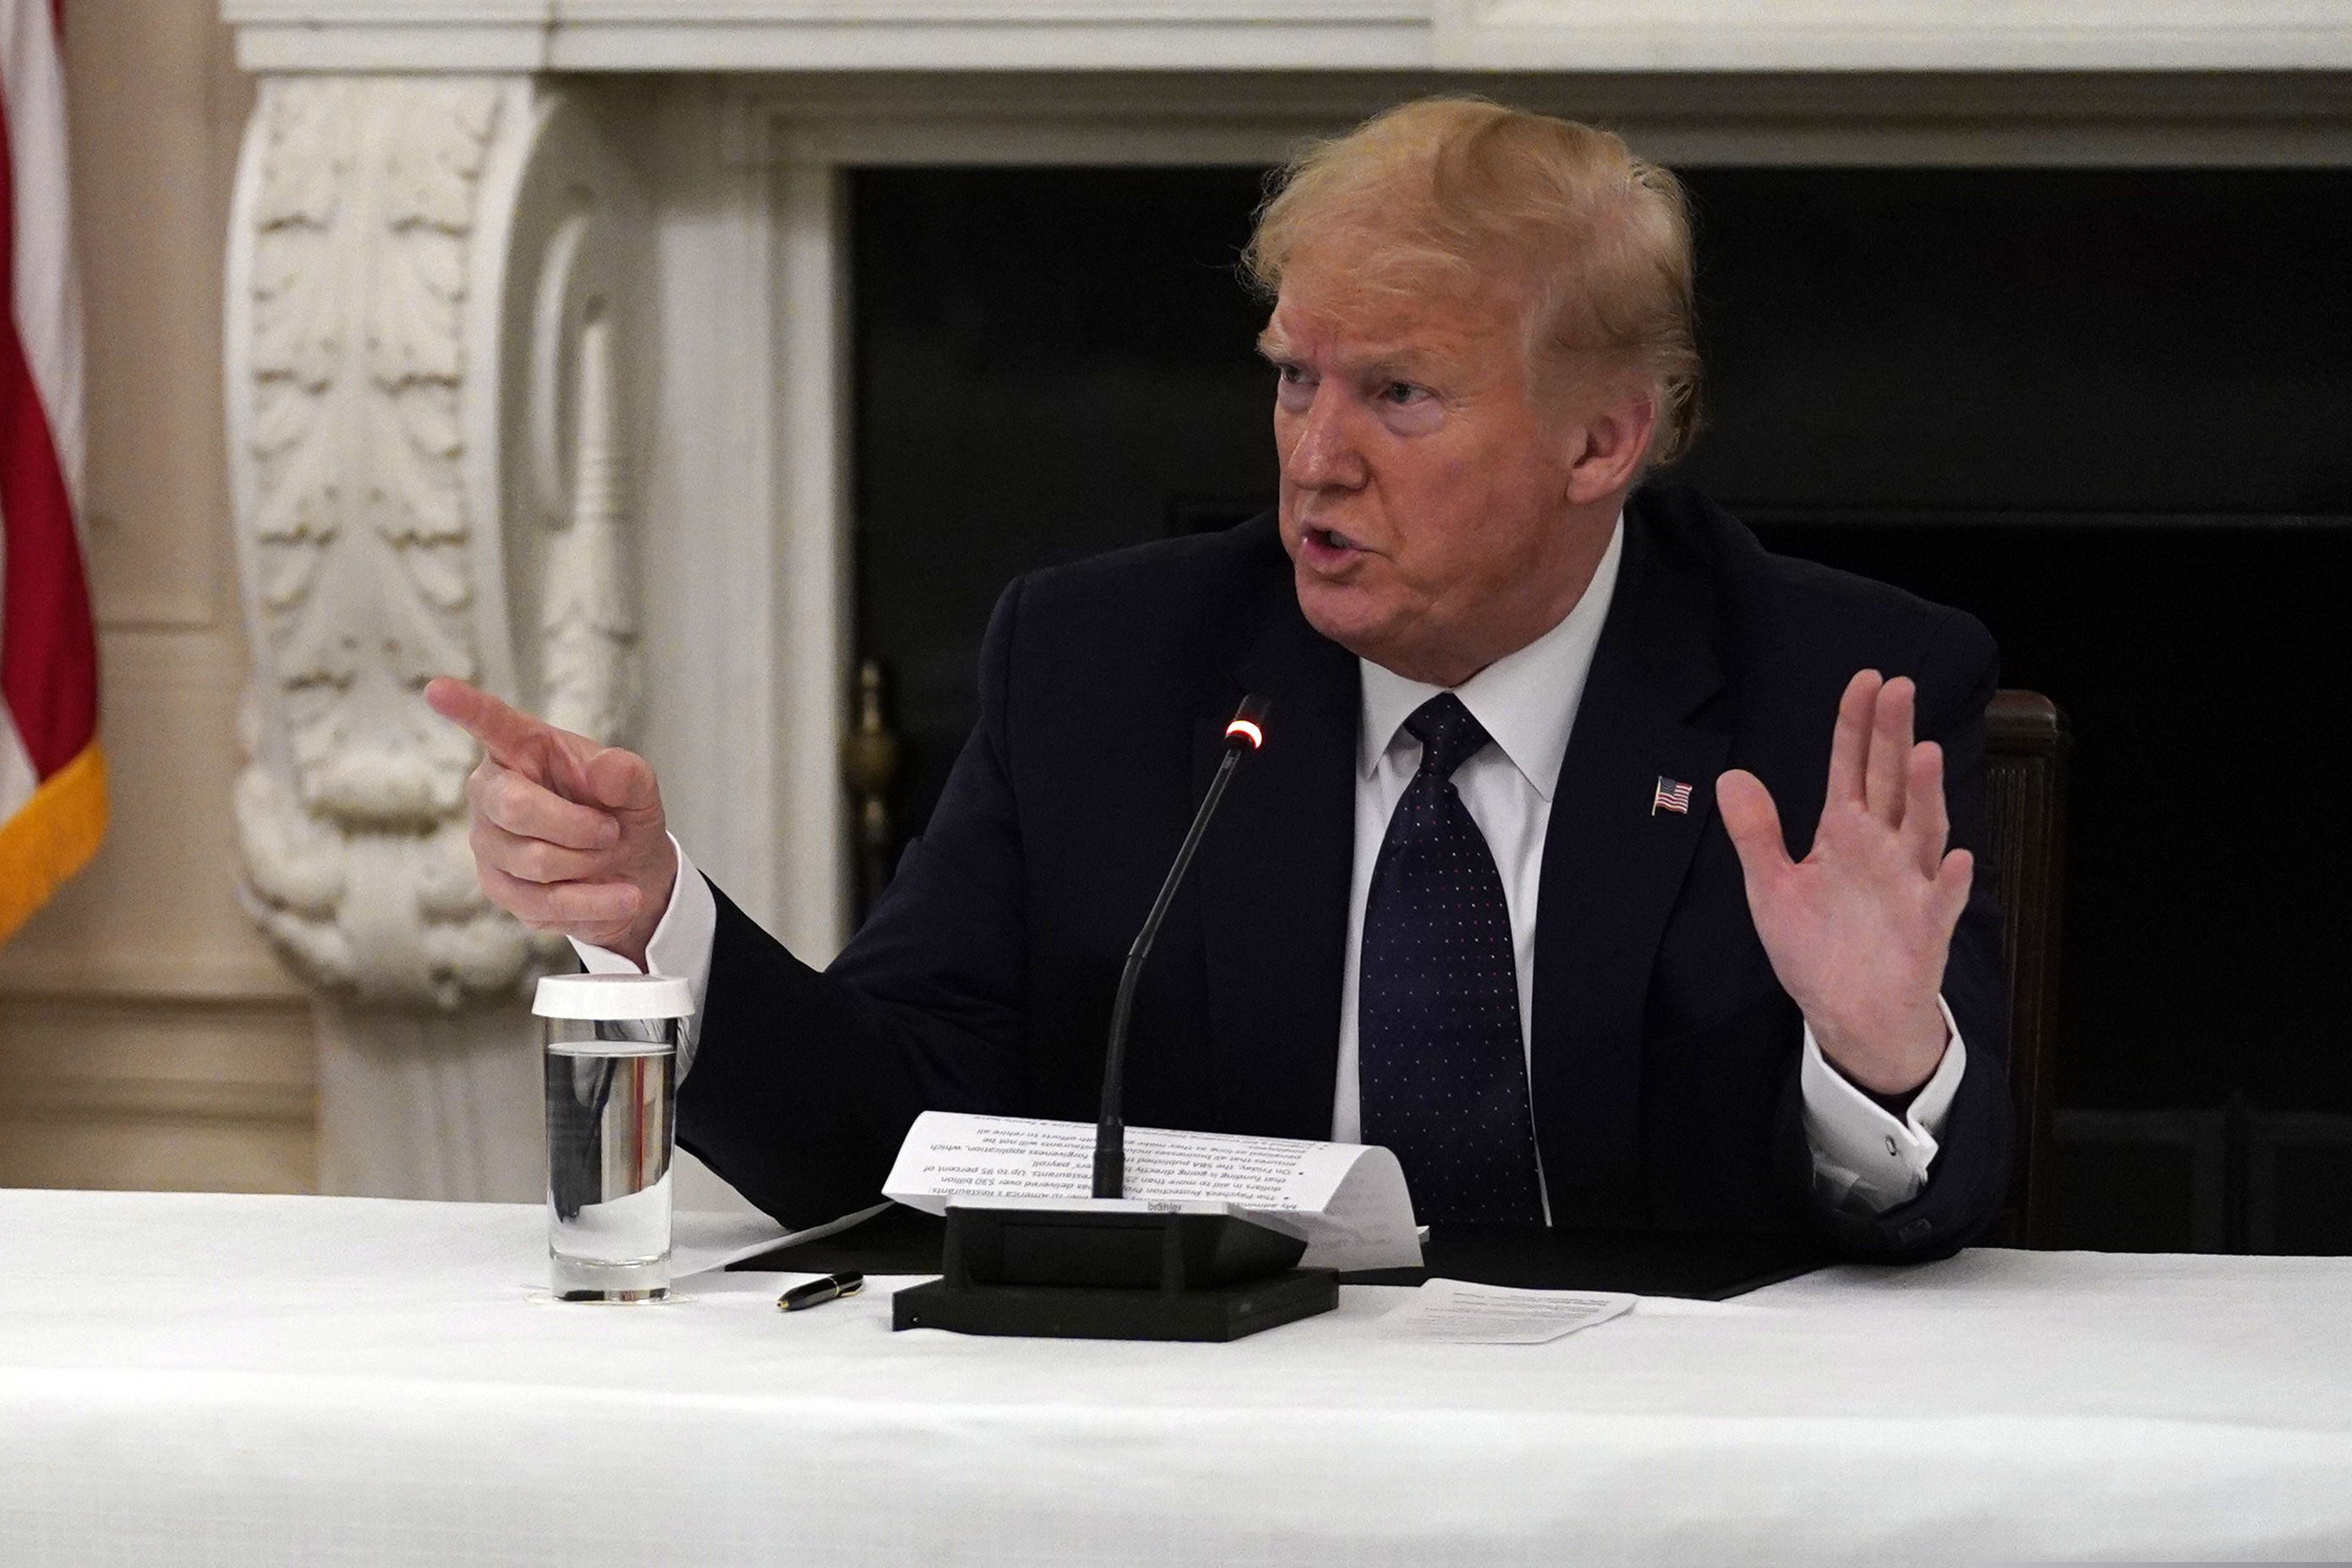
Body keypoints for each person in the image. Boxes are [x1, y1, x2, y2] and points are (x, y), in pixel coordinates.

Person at [427, 97, 2010, 1260]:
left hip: (1649, 1466)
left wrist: (1882, 1057)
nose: (1313, 461)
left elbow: (1945, 1200)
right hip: (1205, 1440)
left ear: (1602, 439)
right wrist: (651, 913)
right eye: (1293, 380)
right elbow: (884, 1137)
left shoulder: (1829, 695)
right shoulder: (1102, 667)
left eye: (1397, 394)